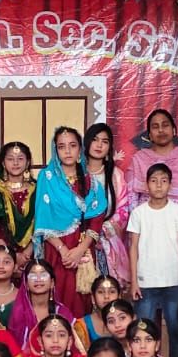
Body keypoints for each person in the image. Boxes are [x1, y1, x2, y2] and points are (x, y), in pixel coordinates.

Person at [35, 127, 106, 316]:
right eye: (61, 147)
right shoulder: (47, 178)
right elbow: (43, 218)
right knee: (58, 295)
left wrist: (81, 249)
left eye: (72, 146)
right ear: (55, 150)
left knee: (82, 300)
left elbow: (97, 219)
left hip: (83, 249)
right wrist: (63, 250)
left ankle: (81, 336)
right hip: (57, 250)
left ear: (80, 149)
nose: (67, 151)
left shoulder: (91, 182)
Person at [127, 161, 178, 357]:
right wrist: (134, 281)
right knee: (143, 330)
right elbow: (133, 248)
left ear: (170, 185)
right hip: (145, 282)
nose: (158, 185)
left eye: (163, 181)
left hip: (174, 281)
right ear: (146, 185)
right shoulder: (139, 213)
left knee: (175, 328)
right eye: (154, 181)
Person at [127, 108, 178, 255]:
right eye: (155, 127)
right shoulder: (139, 159)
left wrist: (175, 218)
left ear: (174, 130)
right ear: (149, 135)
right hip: (148, 223)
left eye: (165, 125)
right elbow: (131, 198)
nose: (161, 130)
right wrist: (149, 218)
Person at [84, 122, 132, 286]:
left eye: (104, 141)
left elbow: (123, 210)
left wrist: (102, 229)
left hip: (105, 242)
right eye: (95, 139)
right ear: (87, 142)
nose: (99, 145)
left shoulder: (116, 175)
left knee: (104, 289)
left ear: (109, 147)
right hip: (77, 243)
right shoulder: (76, 174)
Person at [0, 140, 36, 271]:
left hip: (33, 253)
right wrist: (10, 254)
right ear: (3, 163)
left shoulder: (38, 190)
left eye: (20, 159)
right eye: (10, 159)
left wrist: (27, 253)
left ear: (27, 163)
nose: (15, 163)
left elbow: (43, 224)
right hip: (2, 257)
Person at [6, 257, 74, 349]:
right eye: (33, 276)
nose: (38, 279)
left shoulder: (62, 312)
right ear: (26, 284)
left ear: (52, 283)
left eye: (43, 275)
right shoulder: (19, 313)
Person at [74, 274, 125, 353]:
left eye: (112, 292)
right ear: (93, 298)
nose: (106, 296)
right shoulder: (82, 325)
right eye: (101, 292)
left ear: (119, 296)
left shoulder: (128, 322)